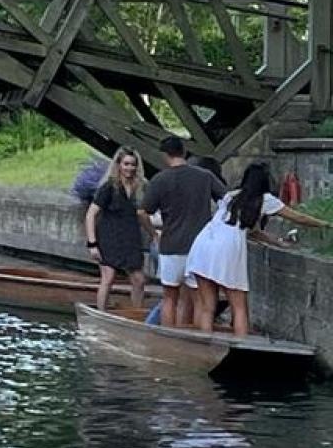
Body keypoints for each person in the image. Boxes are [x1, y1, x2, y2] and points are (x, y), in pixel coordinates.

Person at [186, 161, 330, 336]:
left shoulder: (231, 196)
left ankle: (206, 348)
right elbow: (297, 217)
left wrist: (277, 242)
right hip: (227, 249)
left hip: (203, 244)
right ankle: (240, 346)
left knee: (208, 306)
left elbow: (251, 232)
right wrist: (323, 223)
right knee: (239, 306)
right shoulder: (266, 200)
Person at [139, 136, 227, 328]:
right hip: (200, 247)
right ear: (184, 152)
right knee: (198, 300)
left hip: (170, 245)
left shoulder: (160, 179)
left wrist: (154, 234)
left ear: (164, 155)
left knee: (170, 297)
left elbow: (143, 212)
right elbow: (227, 200)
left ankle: (169, 338)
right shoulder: (205, 176)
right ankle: (194, 339)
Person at [85, 146, 152, 311]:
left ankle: (136, 314)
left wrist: (154, 233)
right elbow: (91, 214)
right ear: (119, 165)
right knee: (108, 277)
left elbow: (142, 215)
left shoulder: (140, 188)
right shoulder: (109, 187)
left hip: (130, 239)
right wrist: (92, 244)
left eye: (133, 164)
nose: (129, 168)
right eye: (126, 164)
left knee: (139, 279)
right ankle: (101, 313)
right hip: (109, 238)